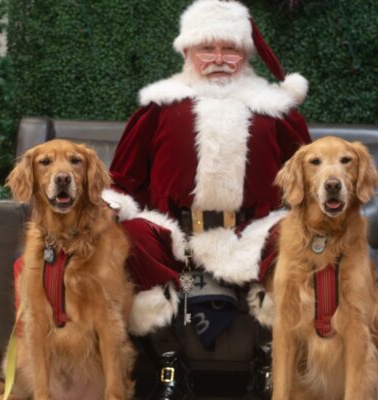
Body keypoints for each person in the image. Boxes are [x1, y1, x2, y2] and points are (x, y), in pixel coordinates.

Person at [101, 1, 312, 398]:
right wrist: (110, 207)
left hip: (252, 233)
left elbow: (310, 175)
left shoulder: (275, 111)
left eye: (229, 49)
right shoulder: (158, 107)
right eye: (207, 48)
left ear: (245, 53)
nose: (218, 59)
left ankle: (269, 360)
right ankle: (168, 362)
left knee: (293, 236)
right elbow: (122, 180)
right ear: (187, 51)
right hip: (175, 234)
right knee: (128, 236)